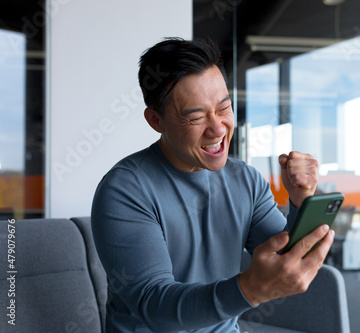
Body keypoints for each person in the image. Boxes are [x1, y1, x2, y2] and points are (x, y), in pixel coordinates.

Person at [91, 37, 334, 333]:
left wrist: (300, 204)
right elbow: (155, 307)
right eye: (196, 117)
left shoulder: (246, 180)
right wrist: (249, 289)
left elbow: (286, 263)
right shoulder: (125, 190)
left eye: (224, 108)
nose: (218, 128)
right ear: (156, 120)